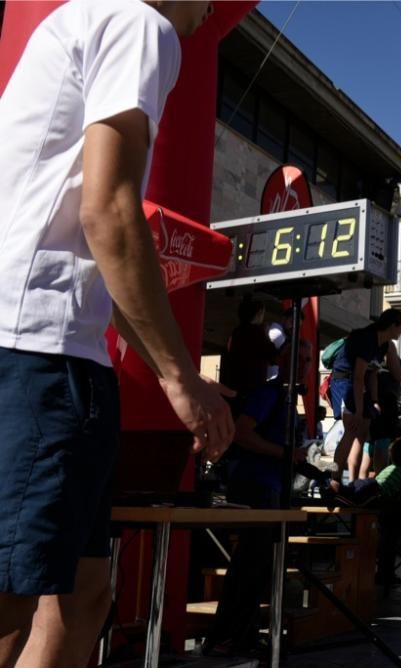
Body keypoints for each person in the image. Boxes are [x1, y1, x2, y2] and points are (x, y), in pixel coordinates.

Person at [0, 3, 233, 666]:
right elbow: (108, 209)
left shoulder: (84, 20)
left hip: (52, 351)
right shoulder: (139, 23)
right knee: (12, 604)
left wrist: (179, 372)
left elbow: (102, 245)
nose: (213, 6)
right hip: (38, 353)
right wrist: (182, 381)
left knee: (85, 595)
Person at [205, 340, 312, 656]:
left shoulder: (288, 398)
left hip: (271, 486)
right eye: (299, 358)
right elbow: (242, 432)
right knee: (250, 565)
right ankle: (229, 635)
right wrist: (284, 453)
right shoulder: (270, 393)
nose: (305, 364)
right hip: (254, 486)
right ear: (282, 358)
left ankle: (241, 633)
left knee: (258, 566)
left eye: (308, 360)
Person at [331, 309, 401, 481]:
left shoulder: (387, 345)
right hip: (345, 383)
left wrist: (374, 400)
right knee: (352, 431)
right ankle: (335, 479)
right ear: (393, 325)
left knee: (362, 434)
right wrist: (357, 411)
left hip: (360, 385)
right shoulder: (367, 339)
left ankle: (353, 482)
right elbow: (357, 377)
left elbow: (387, 375)